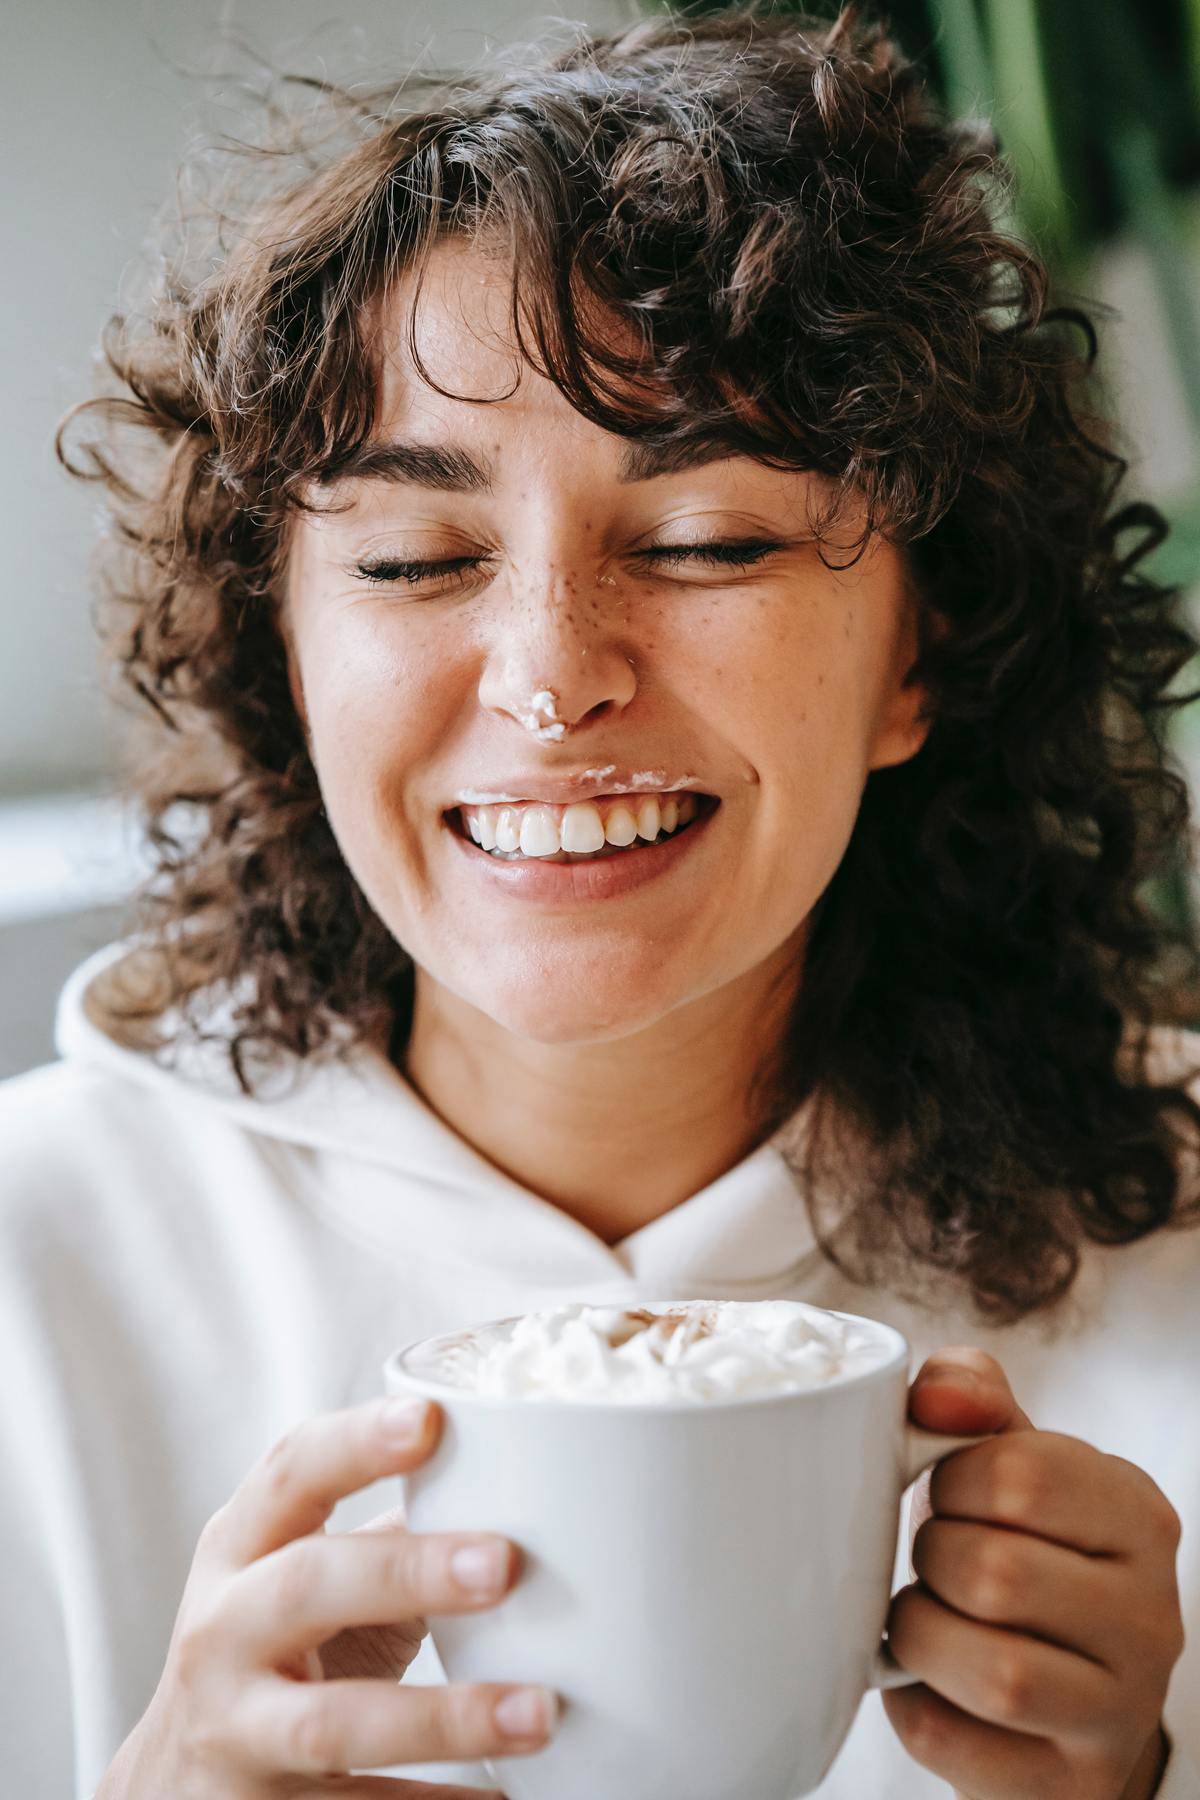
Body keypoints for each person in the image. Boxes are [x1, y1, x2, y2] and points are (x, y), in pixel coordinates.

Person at [4, 1, 1200, 1794]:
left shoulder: (1173, 1250)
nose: (551, 678)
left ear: (920, 652)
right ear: (286, 655)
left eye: (707, 542)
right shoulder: (32, 1271)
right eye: (416, 560)